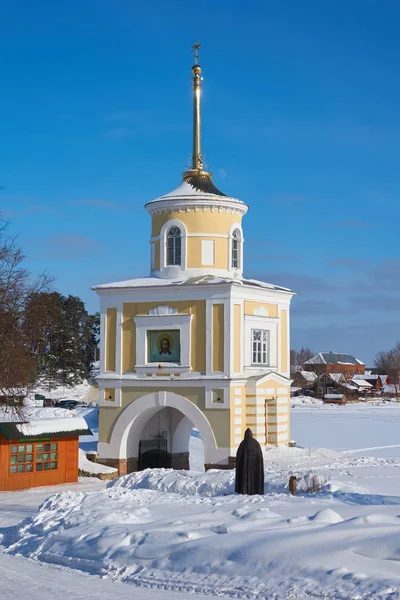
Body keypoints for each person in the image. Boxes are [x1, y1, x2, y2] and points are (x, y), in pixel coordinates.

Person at [235, 428, 264, 495]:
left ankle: (244, 490)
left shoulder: (243, 443)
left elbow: (238, 456)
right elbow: (259, 457)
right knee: (255, 477)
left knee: (244, 477)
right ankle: (256, 490)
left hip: (244, 467)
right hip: (254, 467)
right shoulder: (256, 444)